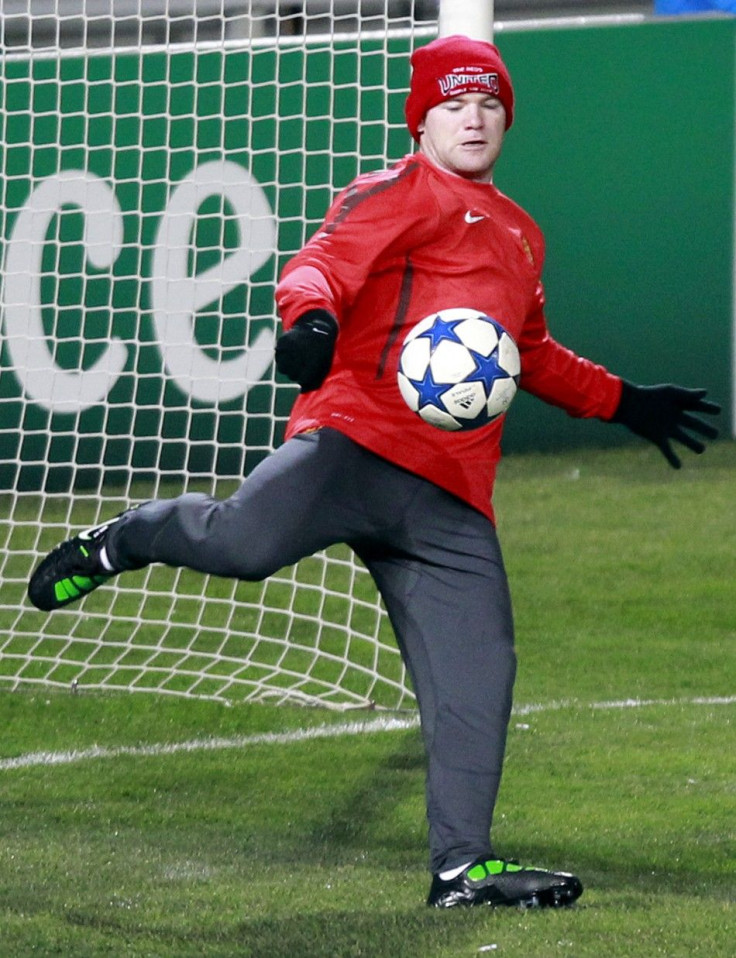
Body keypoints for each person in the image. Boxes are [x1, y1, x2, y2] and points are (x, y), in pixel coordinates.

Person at [28, 35, 720, 909]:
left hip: (450, 494)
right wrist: (310, 320)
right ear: (422, 117)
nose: (474, 118)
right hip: (351, 443)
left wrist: (625, 402)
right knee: (242, 545)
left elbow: (527, 353)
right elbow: (319, 264)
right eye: (454, 104)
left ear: (507, 118)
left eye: (490, 105)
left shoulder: (520, 234)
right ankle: (123, 540)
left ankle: (461, 868)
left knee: (480, 671)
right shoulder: (395, 192)